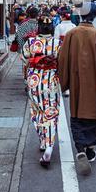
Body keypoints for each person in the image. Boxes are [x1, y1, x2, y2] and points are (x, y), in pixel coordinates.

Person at [58, 2, 96, 176]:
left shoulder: (71, 35)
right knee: (95, 115)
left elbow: (63, 60)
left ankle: (80, 146)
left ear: (80, 15)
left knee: (77, 114)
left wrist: (64, 82)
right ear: (95, 15)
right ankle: (89, 149)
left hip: (76, 82)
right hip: (95, 83)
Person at [22, 16, 61, 168]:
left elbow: (25, 59)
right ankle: (49, 147)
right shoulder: (58, 44)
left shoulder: (30, 43)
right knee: (50, 113)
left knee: (37, 112)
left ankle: (43, 141)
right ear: (51, 28)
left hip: (34, 82)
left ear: (38, 28)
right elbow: (63, 61)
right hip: (51, 83)